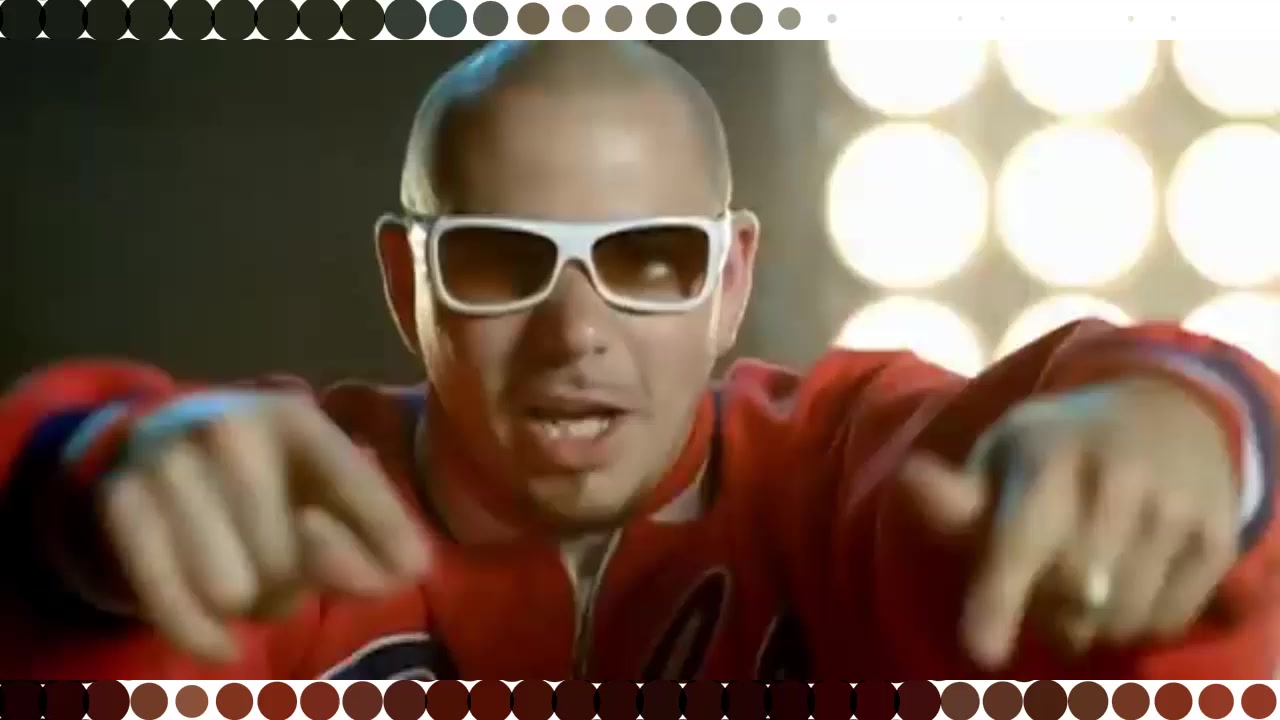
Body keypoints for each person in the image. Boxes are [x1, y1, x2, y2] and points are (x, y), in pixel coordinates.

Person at [1, 40, 1277, 681]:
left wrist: (1184, 437)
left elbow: (1107, 422)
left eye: (650, 259)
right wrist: (86, 513)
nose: (576, 333)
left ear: (730, 280)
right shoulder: (288, 492)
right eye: (501, 260)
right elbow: (82, 529)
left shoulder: (832, 470)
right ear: (406, 281)